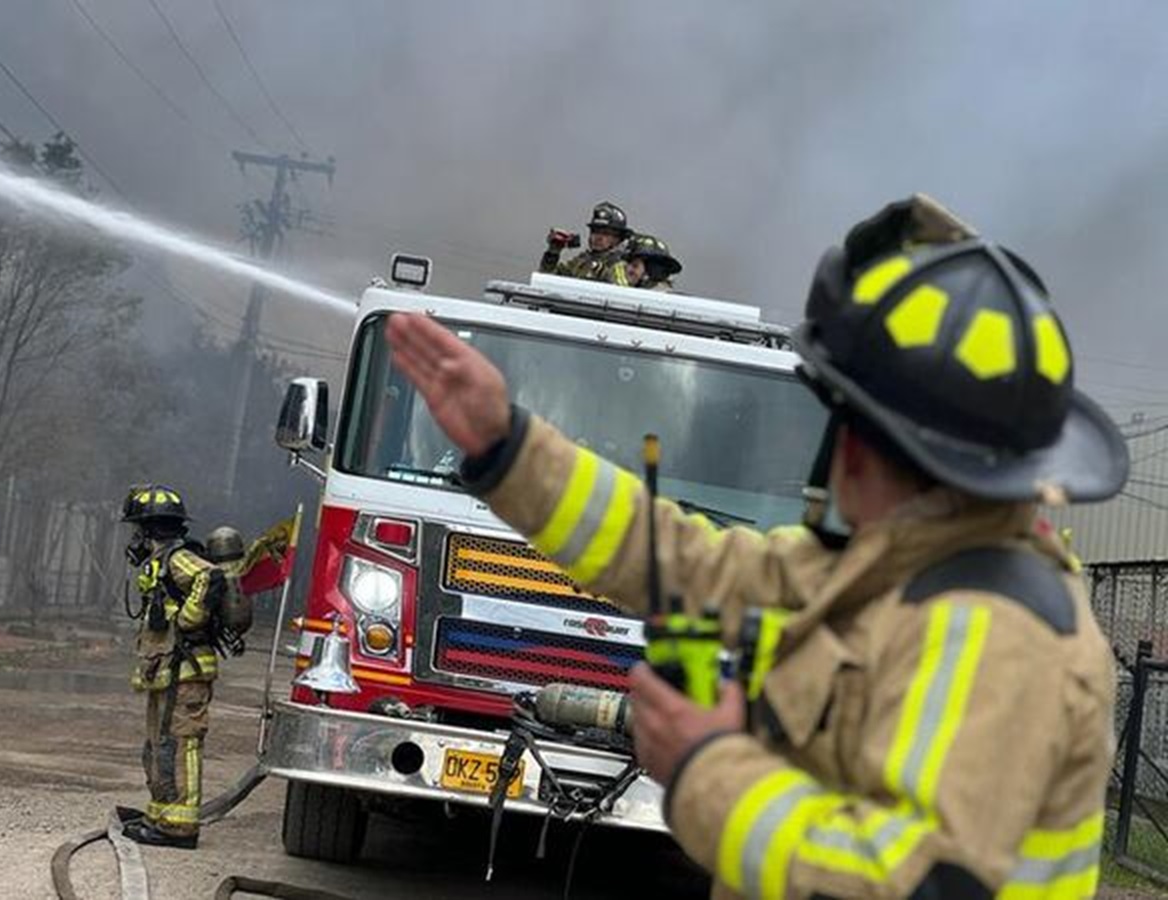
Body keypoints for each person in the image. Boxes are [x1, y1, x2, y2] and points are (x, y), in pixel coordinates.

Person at [383, 193, 1128, 898]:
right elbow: (683, 560)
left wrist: (709, 769)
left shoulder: (997, 632)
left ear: (874, 444)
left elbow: (923, 883)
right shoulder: (890, 566)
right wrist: (507, 448)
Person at [121, 485, 226, 849]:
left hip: (187, 672)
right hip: (168, 672)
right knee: (158, 746)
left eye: (137, 529)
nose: (134, 539)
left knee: (181, 746)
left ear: (149, 529)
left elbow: (210, 577)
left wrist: (188, 618)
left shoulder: (179, 558)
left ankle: (180, 828)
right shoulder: (162, 560)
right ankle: (161, 816)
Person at [539, 200, 632, 280]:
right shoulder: (581, 262)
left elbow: (622, 288)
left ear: (619, 239)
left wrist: (601, 271)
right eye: (595, 231)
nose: (598, 237)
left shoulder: (625, 264)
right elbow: (547, 281)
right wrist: (553, 252)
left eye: (606, 233)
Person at [607, 233, 682, 291]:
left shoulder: (661, 299)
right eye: (627, 264)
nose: (628, 269)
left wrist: (619, 286)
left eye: (635, 266)